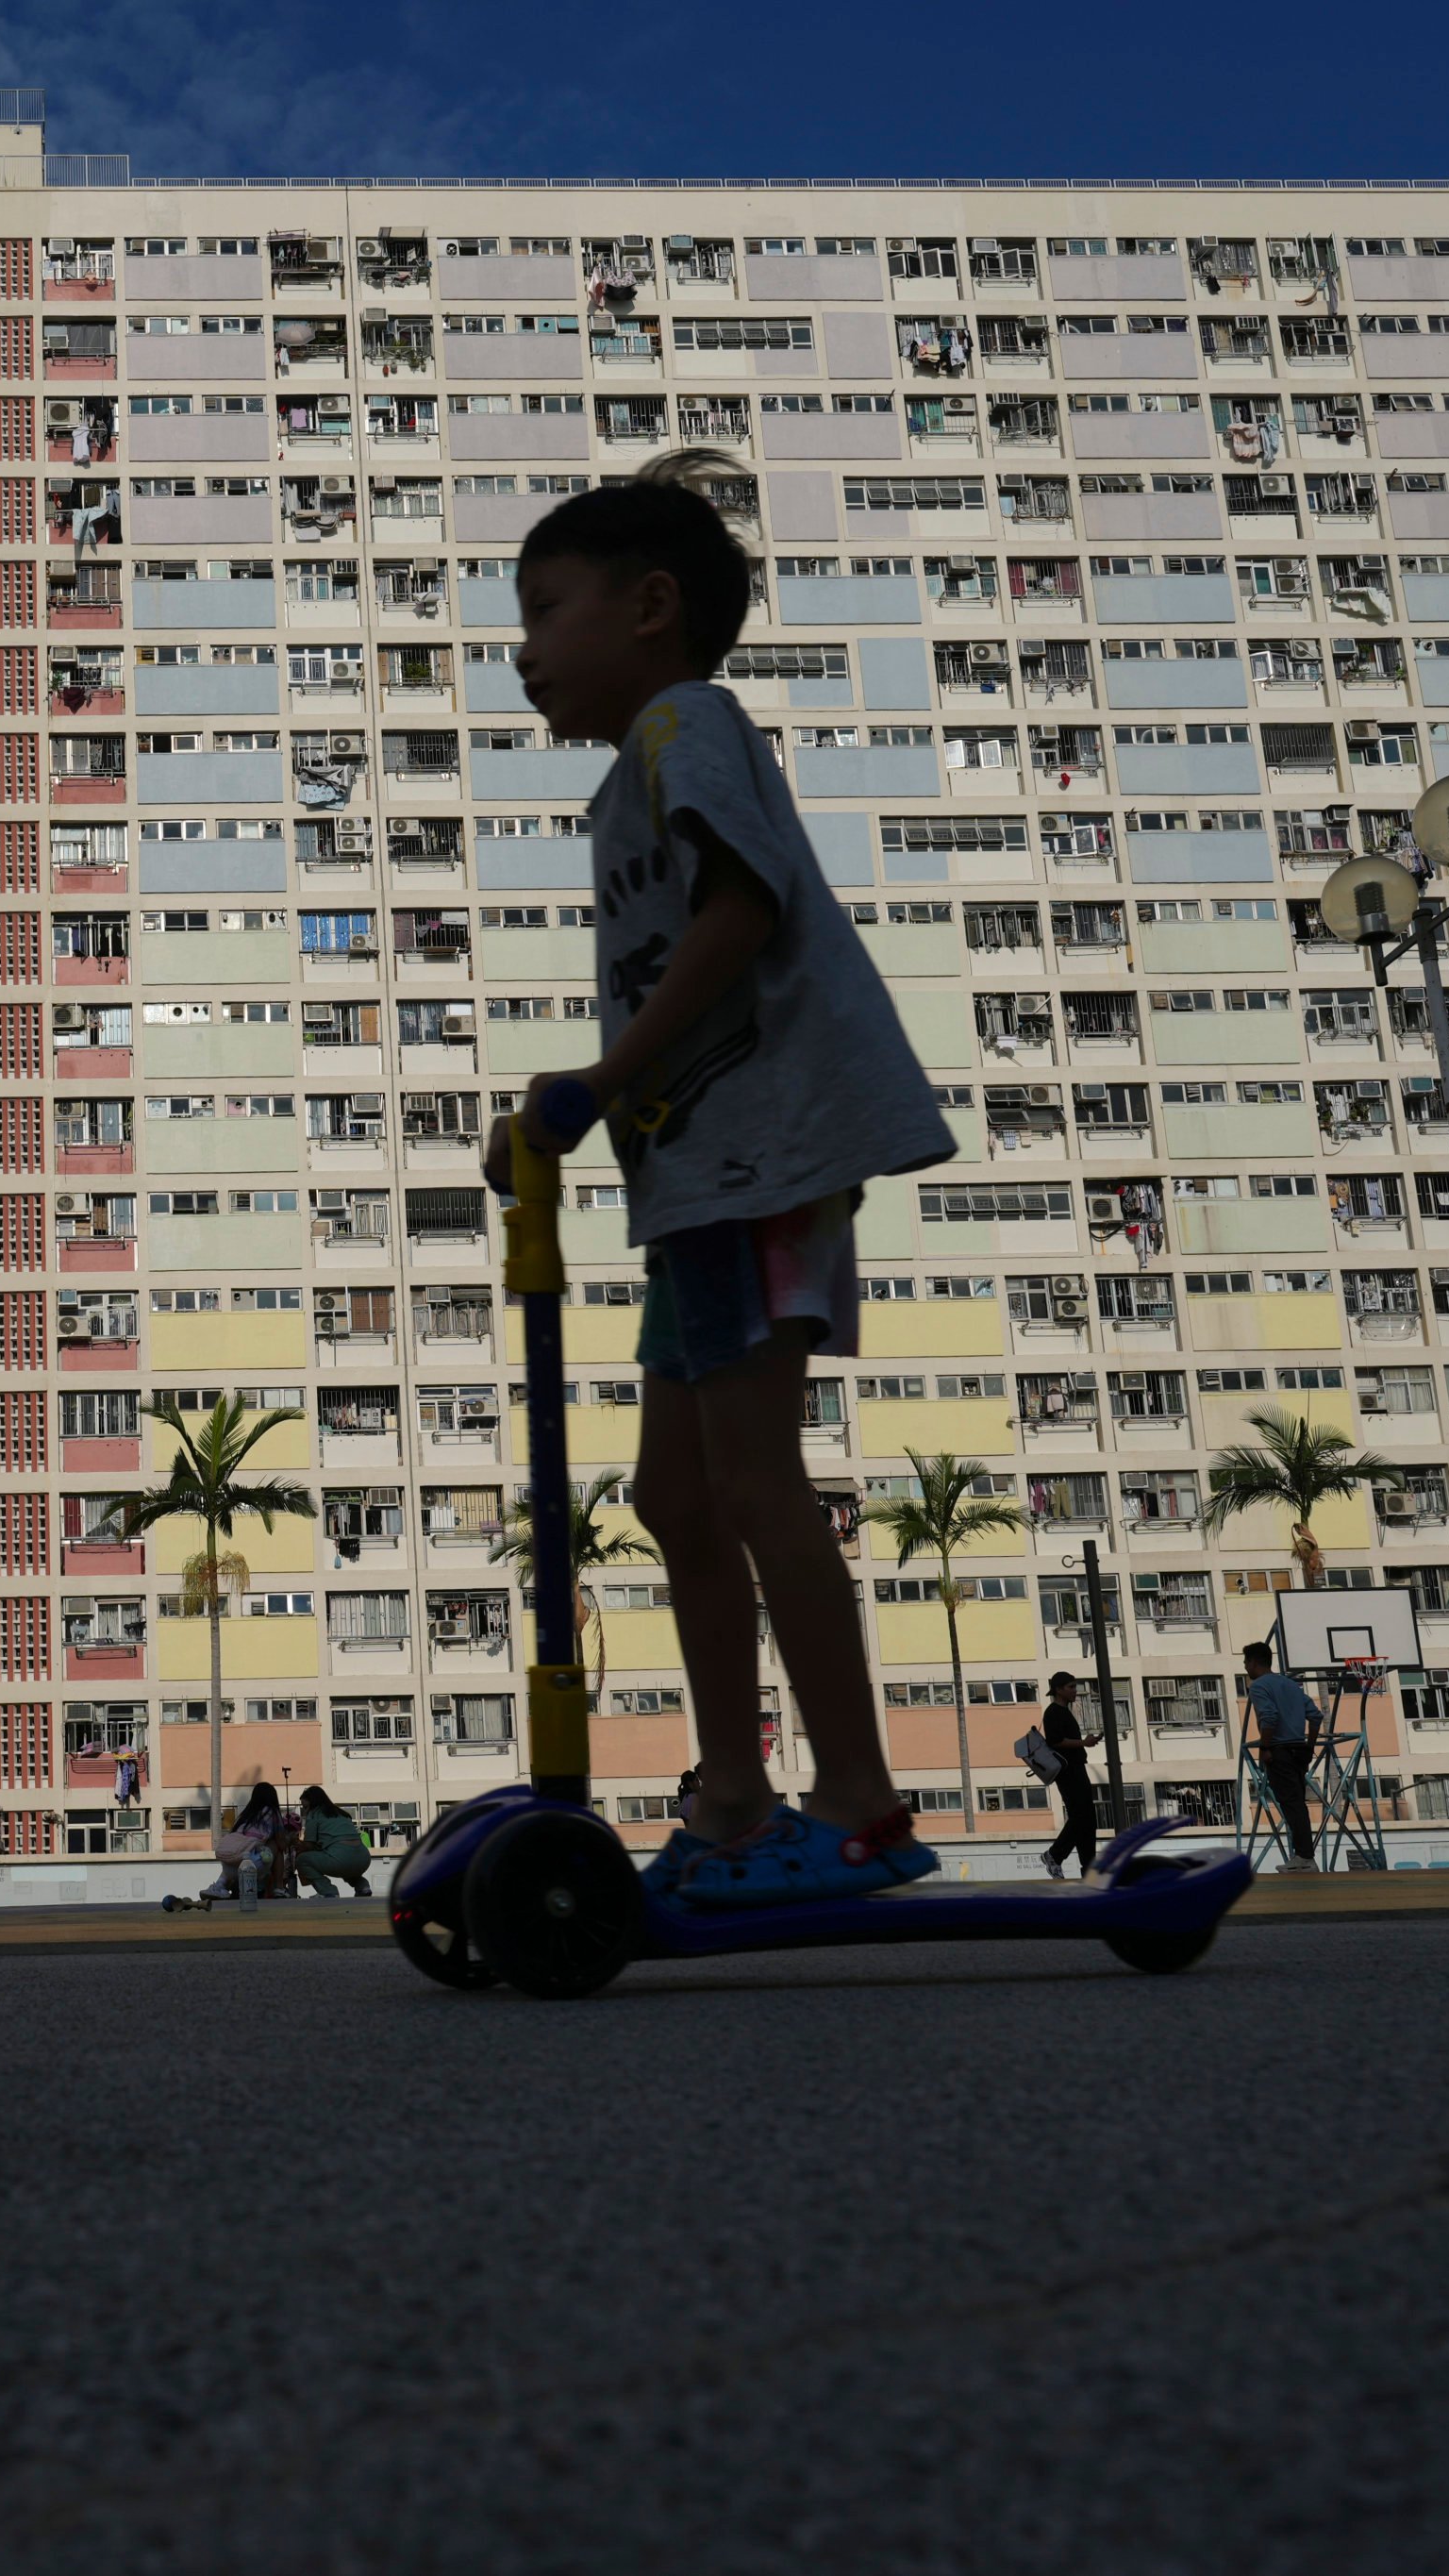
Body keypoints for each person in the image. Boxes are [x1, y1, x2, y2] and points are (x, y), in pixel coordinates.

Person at [490, 455, 957, 1912]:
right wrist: (602, 1091)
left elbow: (745, 917)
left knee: (753, 1479)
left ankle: (861, 1801)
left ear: (649, 607)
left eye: (545, 609)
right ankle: (738, 1794)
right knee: (670, 1492)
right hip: (699, 1180)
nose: (524, 649)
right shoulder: (620, 794)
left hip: (763, 1157)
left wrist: (601, 1078)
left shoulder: (687, 725)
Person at [1241, 1642, 1323, 1869]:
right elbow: (1315, 1717)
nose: (1246, 1667)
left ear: (1255, 1662)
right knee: (1298, 1804)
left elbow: (1269, 1717)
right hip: (1299, 1751)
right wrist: (1309, 1746)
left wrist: (1265, 1748)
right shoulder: (1290, 1685)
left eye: (1247, 1662)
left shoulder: (1258, 1687)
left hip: (1280, 1751)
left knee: (1290, 1804)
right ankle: (1304, 1855)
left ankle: (1305, 1857)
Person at [1038, 1670, 1100, 1882]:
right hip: (1067, 1771)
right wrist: (1084, 1743)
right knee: (1081, 1816)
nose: (1075, 1691)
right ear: (1058, 1689)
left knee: (1088, 1818)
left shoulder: (1064, 1711)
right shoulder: (1054, 1712)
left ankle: (1089, 1868)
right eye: (1070, 1687)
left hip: (1076, 1767)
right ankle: (1054, 1855)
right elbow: (1055, 1741)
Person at [293, 1784, 374, 1899]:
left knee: (302, 1860)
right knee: (348, 1869)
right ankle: (363, 1887)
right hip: (364, 1858)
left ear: (313, 1803)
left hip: (340, 1859)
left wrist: (294, 1842)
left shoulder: (314, 1814)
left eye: (305, 1807)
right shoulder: (341, 1813)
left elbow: (309, 1845)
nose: (305, 1812)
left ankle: (328, 1891)